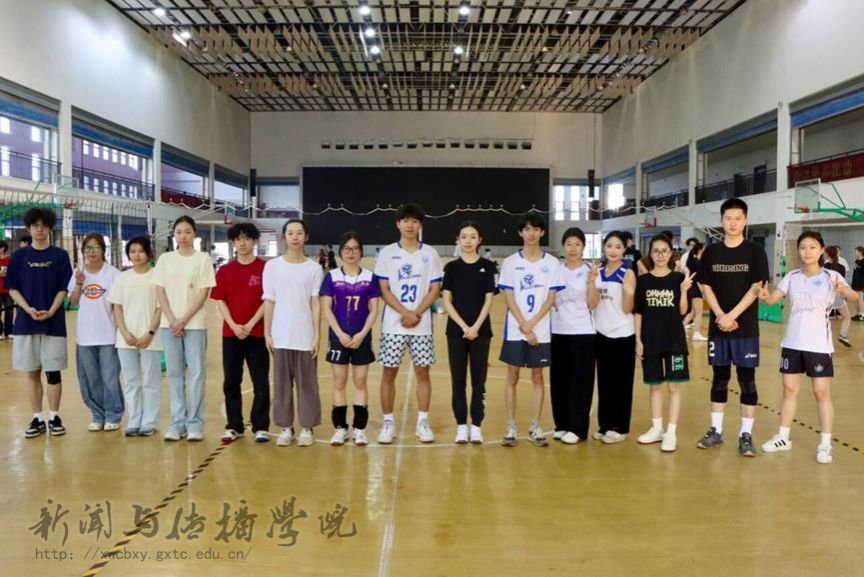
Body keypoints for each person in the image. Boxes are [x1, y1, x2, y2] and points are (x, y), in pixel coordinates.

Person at [758, 231, 859, 464]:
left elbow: (853, 296)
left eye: (812, 247)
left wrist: (842, 290)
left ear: (821, 250)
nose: (807, 251)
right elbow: (773, 298)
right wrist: (764, 295)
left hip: (819, 345)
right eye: (803, 247)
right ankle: (783, 437)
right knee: (788, 390)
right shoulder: (792, 276)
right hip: (792, 343)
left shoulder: (832, 276)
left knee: (821, 393)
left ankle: (825, 444)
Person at [696, 197, 769, 457]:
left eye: (738, 218)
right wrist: (720, 315)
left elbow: (757, 287)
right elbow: (705, 285)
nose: (733, 223)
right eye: (728, 218)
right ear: (721, 220)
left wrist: (732, 316)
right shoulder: (712, 252)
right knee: (720, 379)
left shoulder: (755, 251)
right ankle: (716, 430)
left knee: (747, 381)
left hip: (745, 328)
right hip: (719, 327)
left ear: (745, 220)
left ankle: (745, 435)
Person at [374, 203, 443, 444]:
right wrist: (405, 312)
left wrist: (417, 313)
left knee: (423, 372)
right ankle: (388, 423)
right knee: (388, 372)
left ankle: (423, 422)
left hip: (421, 326)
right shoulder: (386, 254)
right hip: (393, 325)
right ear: (398, 224)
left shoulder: (430, 254)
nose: (410, 225)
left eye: (414, 221)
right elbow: (384, 290)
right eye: (405, 220)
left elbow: (435, 289)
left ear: (420, 224)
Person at [5, 208, 73, 438]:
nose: (40, 229)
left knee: (53, 372)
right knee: (32, 372)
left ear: (50, 228)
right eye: (35, 225)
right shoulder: (18, 257)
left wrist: (52, 310)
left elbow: (64, 288)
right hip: (26, 323)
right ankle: (37, 417)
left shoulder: (60, 255)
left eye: (44, 225)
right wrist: (28, 309)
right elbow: (12, 289)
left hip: (54, 323)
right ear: (29, 228)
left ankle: (54, 416)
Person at [497, 212, 563, 447]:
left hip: (541, 331)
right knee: (512, 376)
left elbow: (550, 298)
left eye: (535, 229)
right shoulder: (510, 263)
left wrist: (532, 324)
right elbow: (509, 297)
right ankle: (511, 427)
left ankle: (536, 426)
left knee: (537, 376)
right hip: (515, 330)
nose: (531, 233)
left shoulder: (552, 263)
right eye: (526, 229)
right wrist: (524, 326)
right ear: (520, 233)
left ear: (542, 232)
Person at [153, 216, 216, 442]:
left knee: (197, 374)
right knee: (174, 374)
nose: (183, 236)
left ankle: (195, 424)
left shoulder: (203, 259)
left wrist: (184, 319)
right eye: (179, 232)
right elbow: (160, 291)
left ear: (194, 234)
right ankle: (177, 423)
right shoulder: (165, 259)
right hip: (169, 325)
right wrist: (172, 319)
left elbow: (204, 292)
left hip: (195, 324)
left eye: (188, 232)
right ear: (174, 235)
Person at [264, 219, 324, 447]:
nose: (295, 237)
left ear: (306, 237)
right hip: (281, 334)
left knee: (307, 384)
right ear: (284, 237)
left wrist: (317, 335)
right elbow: (269, 300)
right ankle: (285, 427)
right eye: (290, 233)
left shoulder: (314, 269)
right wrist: (268, 332)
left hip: (304, 335)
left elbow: (315, 303)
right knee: (281, 385)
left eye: (299, 233)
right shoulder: (272, 267)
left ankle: (307, 427)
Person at [634, 234, 694, 452]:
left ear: (671, 253)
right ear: (651, 254)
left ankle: (671, 432)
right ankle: (657, 428)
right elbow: (639, 313)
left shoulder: (678, 279)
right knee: (655, 386)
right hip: (651, 341)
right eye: (656, 251)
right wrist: (638, 340)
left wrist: (684, 291)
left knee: (674, 387)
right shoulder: (643, 281)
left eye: (664, 251)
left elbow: (683, 310)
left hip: (674, 341)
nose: (660, 255)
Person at [212, 223, 270, 444]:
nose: (242, 243)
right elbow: (221, 301)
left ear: (254, 241)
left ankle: (261, 426)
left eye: (247, 238)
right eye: (238, 239)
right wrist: (234, 325)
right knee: (231, 381)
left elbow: (268, 299)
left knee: (260, 382)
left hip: (258, 334)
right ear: (233, 243)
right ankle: (234, 426)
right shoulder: (225, 271)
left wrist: (251, 323)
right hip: (231, 334)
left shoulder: (266, 269)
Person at [321, 232, 380, 446]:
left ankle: (359, 429)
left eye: (355, 248)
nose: (351, 252)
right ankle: (340, 428)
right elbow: (327, 308)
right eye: (347, 248)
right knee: (339, 381)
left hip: (362, 337)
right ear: (340, 252)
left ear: (361, 252)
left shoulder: (371, 278)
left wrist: (362, 334)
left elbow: (374, 309)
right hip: (339, 337)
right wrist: (340, 333)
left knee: (360, 381)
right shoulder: (332, 277)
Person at [442, 221, 496, 444]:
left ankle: (476, 426)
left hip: (481, 332)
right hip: (456, 333)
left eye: (473, 236)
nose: (468, 241)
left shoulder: (488, 266)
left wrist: (475, 327)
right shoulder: (451, 268)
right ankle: (461, 426)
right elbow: (447, 300)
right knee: (458, 380)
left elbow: (489, 299)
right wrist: (464, 327)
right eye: (464, 236)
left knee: (478, 381)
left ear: (479, 240)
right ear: (458, 239)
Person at [107, 236, 163, 437]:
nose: (136, 255)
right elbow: (117, 307)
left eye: (140, 251)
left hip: (151, 338)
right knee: (131, 381)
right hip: (126, 339)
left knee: (151, 381)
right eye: (132, 251)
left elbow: (160, 308)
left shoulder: (157, 277)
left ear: (149, 253)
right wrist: (124, 332)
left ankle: (149, 421)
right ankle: (134, 420)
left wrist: (149, 333)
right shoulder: (123, 278)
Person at [68, 233, 123, 432]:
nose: (91, 252)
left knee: (110, 377)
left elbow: (119, 306)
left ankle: (113, 414)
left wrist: (122, 330)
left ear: (103, 250)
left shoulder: (113, 274)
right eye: (88, 248)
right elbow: (73, 301)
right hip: (85, 335)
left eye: (96, 247)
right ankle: (98, 415)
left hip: (108, 335)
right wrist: (79, 283)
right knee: (91, 379)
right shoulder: (79, 273)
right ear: (83, 251)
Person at [550, 227, 599, 445]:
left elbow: (594, 303)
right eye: (569, 244)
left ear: (583, 247)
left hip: (583, 332)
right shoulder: (556, 270)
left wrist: (591, 282)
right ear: (563, 246)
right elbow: (550, 299)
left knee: (581, 382)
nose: (573, 248)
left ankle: (578, 429)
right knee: (559, 381)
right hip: (559, 331)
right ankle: (561, 424)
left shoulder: (591, 270)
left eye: (577, 244)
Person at [592, 231, 637, 444]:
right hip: (602, 333)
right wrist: (591, 282)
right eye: (609, 245)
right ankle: (604, 425)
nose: (613, 250)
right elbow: (592, 304)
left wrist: (629, 292)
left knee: (622, 384)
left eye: (618, 247)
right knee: (604, 383)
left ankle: (620, 427)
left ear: (624, 250)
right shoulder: (597, 272)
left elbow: (628, 309)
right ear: (604, 247)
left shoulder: (627, 273)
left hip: (623, 333)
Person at [823, 245, 852, 348]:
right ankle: (843, 335)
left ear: (828, 254)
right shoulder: (842, 267)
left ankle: (820, 338)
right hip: (837, 296)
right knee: (847, 317)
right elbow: (841, 283)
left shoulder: (824, 267)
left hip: (825, 296)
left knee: (822, 318)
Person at [682, 240, 708, 342]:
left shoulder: (694, 260)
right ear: (700, 249)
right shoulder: (697, 262)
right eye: (704, 248)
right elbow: (698, 279)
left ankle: (680, 330)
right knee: (699, 313)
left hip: (692, 287)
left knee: (693, 312)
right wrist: (703, 292)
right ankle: (696, 334)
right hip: (696, 288)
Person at [0, 240, 12, 340]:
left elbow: (13, 273)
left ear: (3, 248)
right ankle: (0, 332)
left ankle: (9, 332)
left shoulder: (9, 260)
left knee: (9, 312)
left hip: (8, 290)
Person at [852, 246, 864, 320]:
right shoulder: (856, 261)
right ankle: (858, 313)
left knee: (860, 298)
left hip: (861, 282)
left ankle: (862, 314)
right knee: (855, 299)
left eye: (856, 251)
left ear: (860, 252)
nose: (855, 252)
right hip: (855, 282)